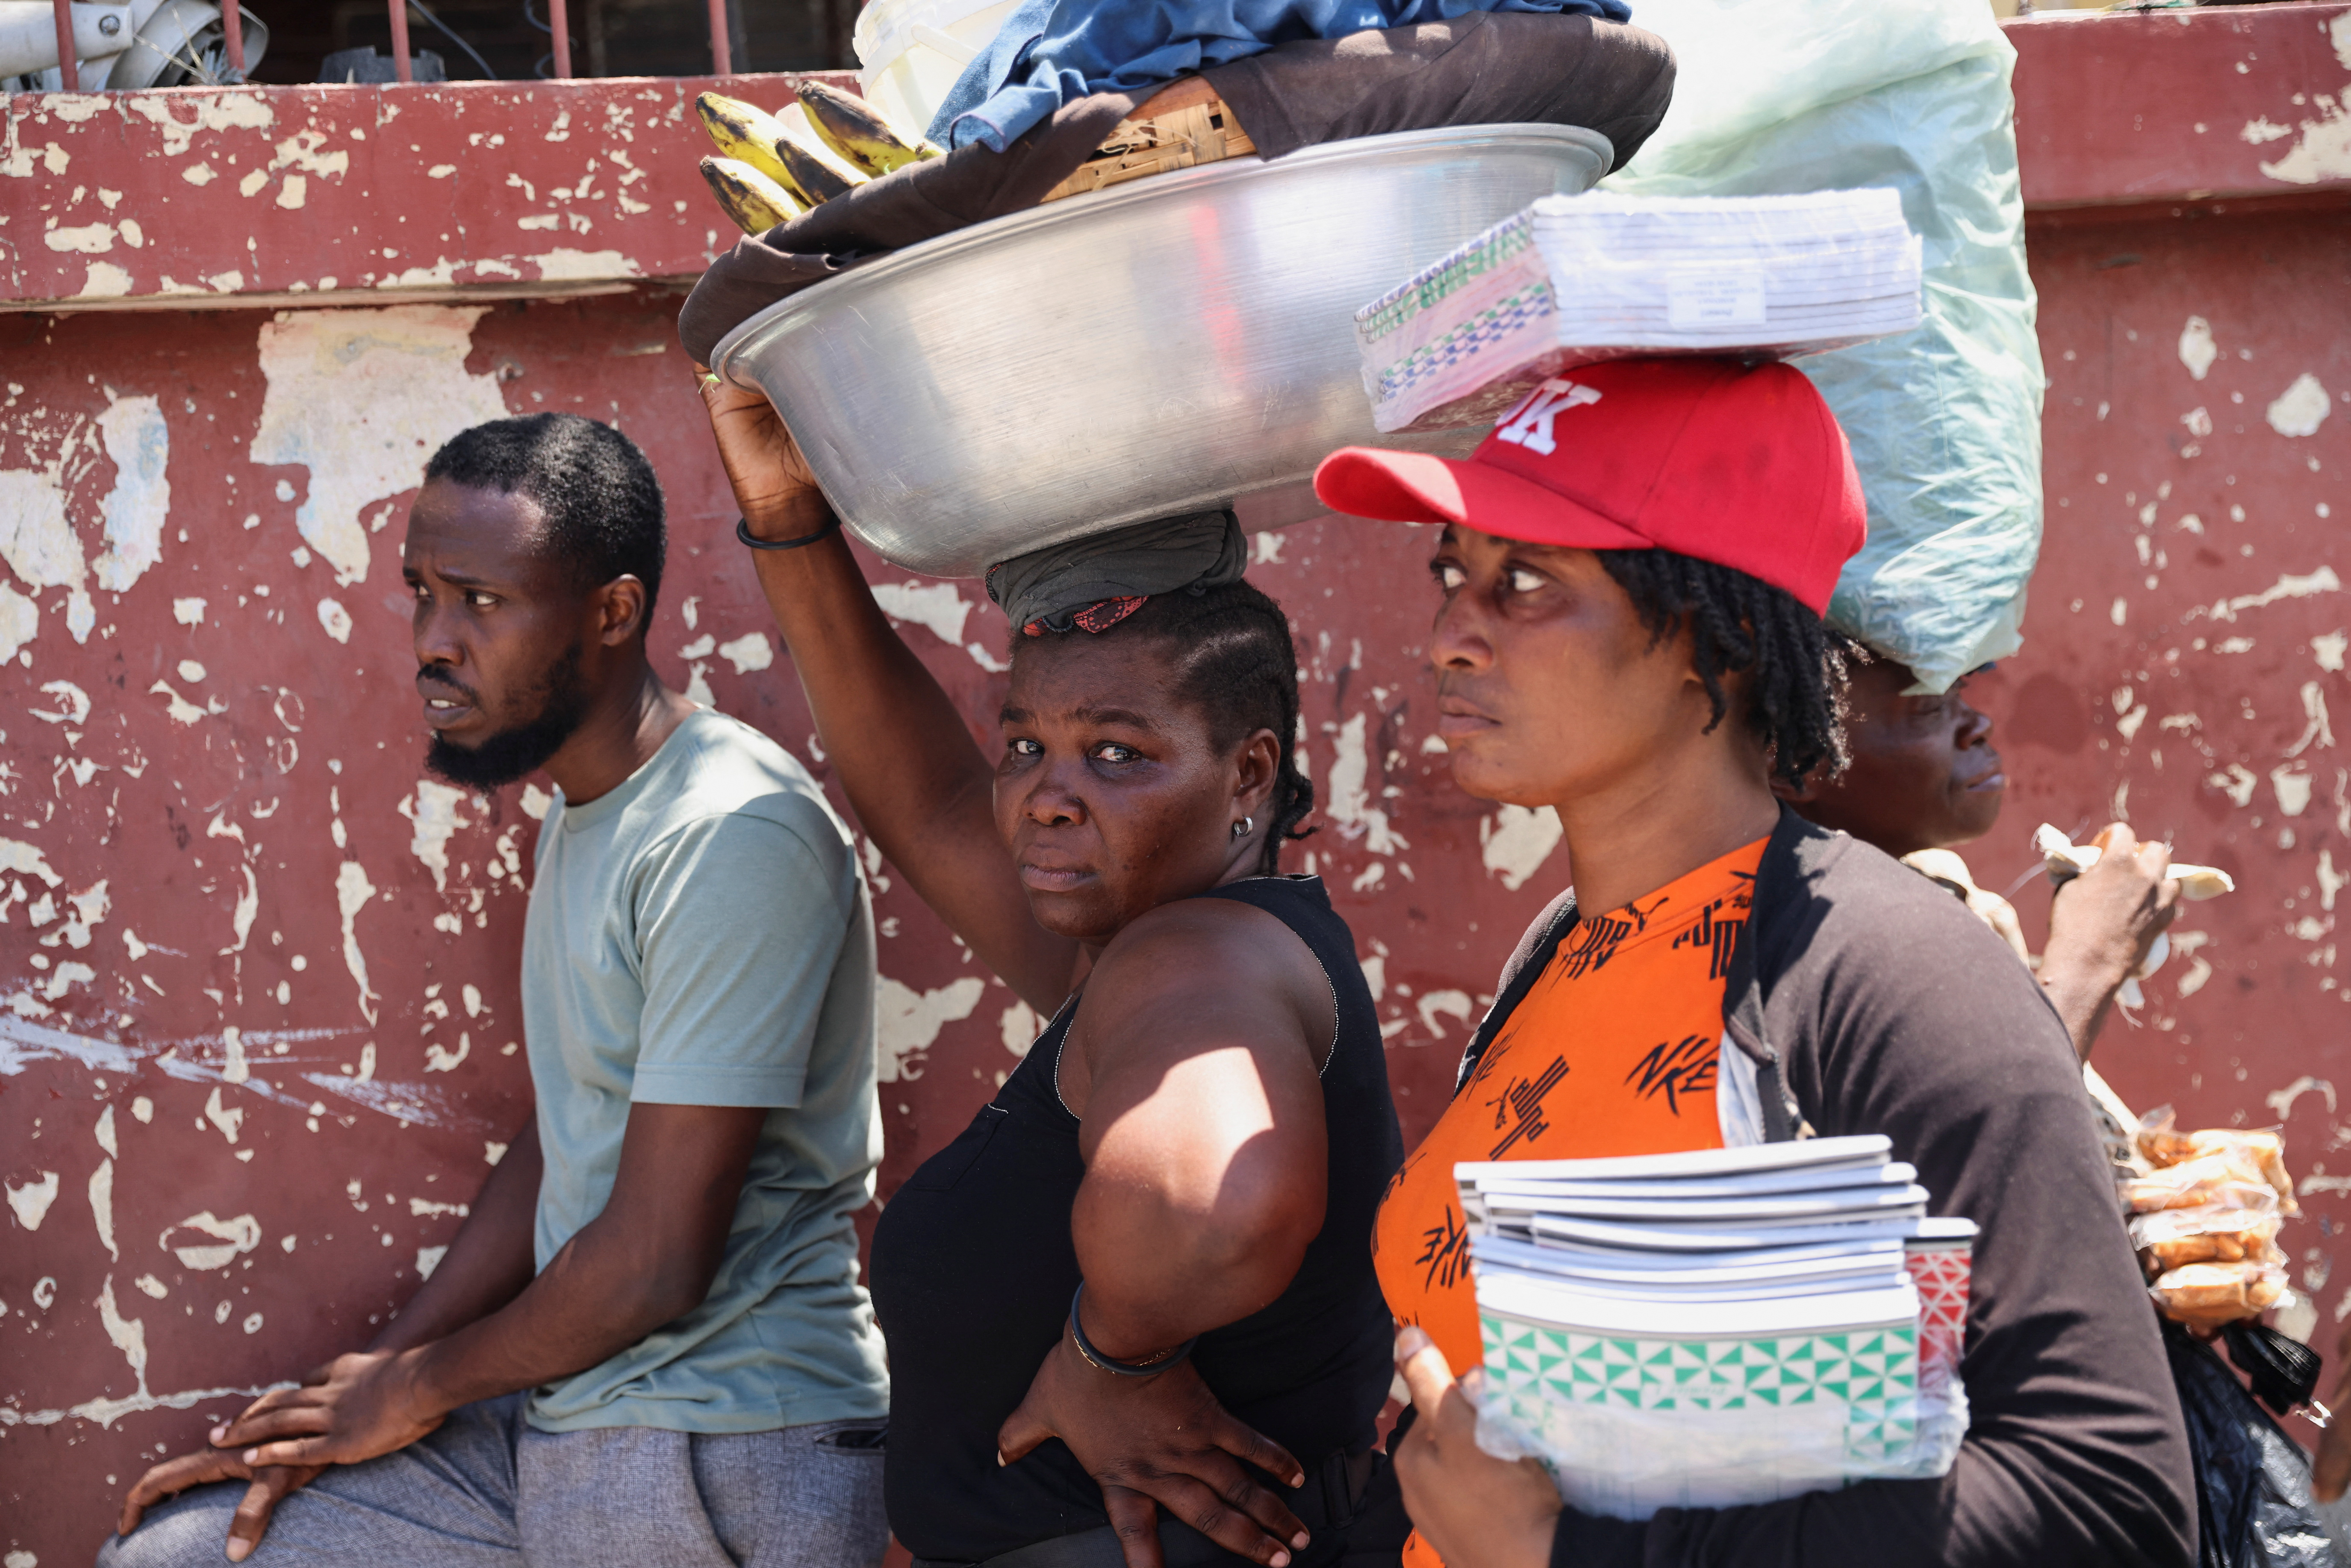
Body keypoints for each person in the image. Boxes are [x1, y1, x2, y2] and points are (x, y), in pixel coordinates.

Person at [1303, 358, 2196, 1567]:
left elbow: (2105, 1499)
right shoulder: (1556, 947)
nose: (1451, 637)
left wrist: (1574, 1552)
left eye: (1524, 583)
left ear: (1710, 643)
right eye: (1451, 576)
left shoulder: (1876, 973)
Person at [103, 414, 892, 1568]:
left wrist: (417, 1386)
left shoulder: (729, 831)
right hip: (563, 1418)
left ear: (612, 614)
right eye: (422, 592)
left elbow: (655, 1255)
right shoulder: (590, 814)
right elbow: (576, 1130)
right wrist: (371, 1382)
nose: (434, 639)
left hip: (720, 1445)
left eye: (480, 601)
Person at [695, 372, 1404, 1568]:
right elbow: (926, 801)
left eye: (1117, 753)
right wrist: (788, 514)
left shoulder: (1197, 960)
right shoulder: (1153, 937)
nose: (1044, 795)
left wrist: (1110, 1355)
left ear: (1247, 776)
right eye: (1025, 742)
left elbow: (1212, 1204)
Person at [1774, 647, 2183, 1191]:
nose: (1978, 724)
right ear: (1797, 761)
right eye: (1930, 708)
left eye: (1959, 694)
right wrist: (2089, 961)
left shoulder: (1951, 895)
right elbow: (1984, 1142)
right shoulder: (1811, 947)